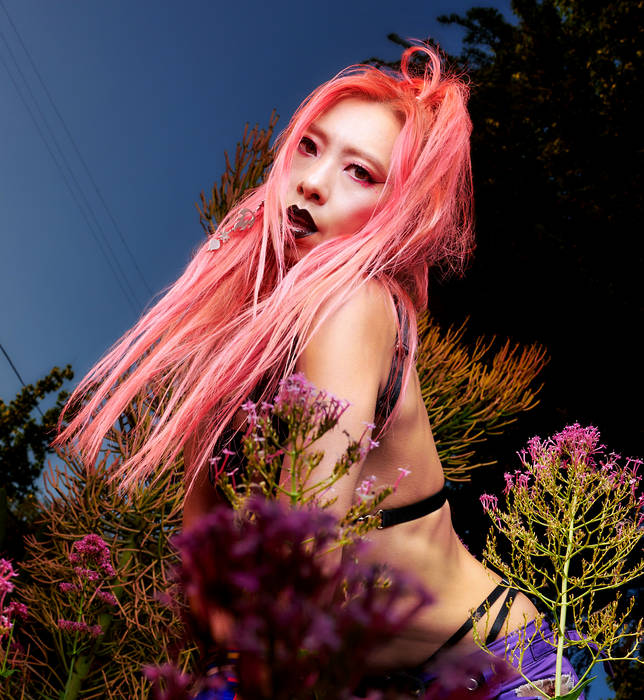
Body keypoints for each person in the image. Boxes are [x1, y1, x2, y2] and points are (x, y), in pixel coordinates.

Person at [57, 44, 583, 699]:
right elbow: (205, 576)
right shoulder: (242, 347)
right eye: (308, 148)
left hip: (501, 672)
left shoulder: (353, 308)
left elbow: (302, 572)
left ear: (398, 212)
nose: (312, 182)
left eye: (360, 172)